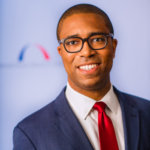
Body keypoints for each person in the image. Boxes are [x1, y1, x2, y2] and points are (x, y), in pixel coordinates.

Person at [13, 3, 150, 150]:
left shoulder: (147, 113)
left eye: (97, 39)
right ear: (61, 53)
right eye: (73, 42)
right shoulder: (31, 133)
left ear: (113, 47)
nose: (86, 52)